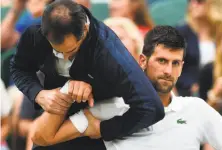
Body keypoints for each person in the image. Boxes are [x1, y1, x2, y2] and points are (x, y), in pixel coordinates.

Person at [31, 26, 222, 150]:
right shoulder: (110, 107)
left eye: (175, 63)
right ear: (142, 61)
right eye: (161, 61)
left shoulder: (196, 109)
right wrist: (67, 92)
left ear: (182, 67)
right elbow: (42, 137)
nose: (168, 70)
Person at [10, 0, 164, 149]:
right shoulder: (35, 33)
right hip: (62, 109)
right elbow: (19, 68)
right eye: (57, 51)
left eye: (70, 51)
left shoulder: (110, 52)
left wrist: (104, 129)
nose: (63, 58)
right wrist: (38, 93)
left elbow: (151, 108)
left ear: (85, 30)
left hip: (101, 115)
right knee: (39, 140)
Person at [175, 0, 216, 96]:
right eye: (190, 1)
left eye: (199, 1)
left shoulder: (219, 32)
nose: (193, 4)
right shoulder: (180, 33)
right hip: (188, 93)